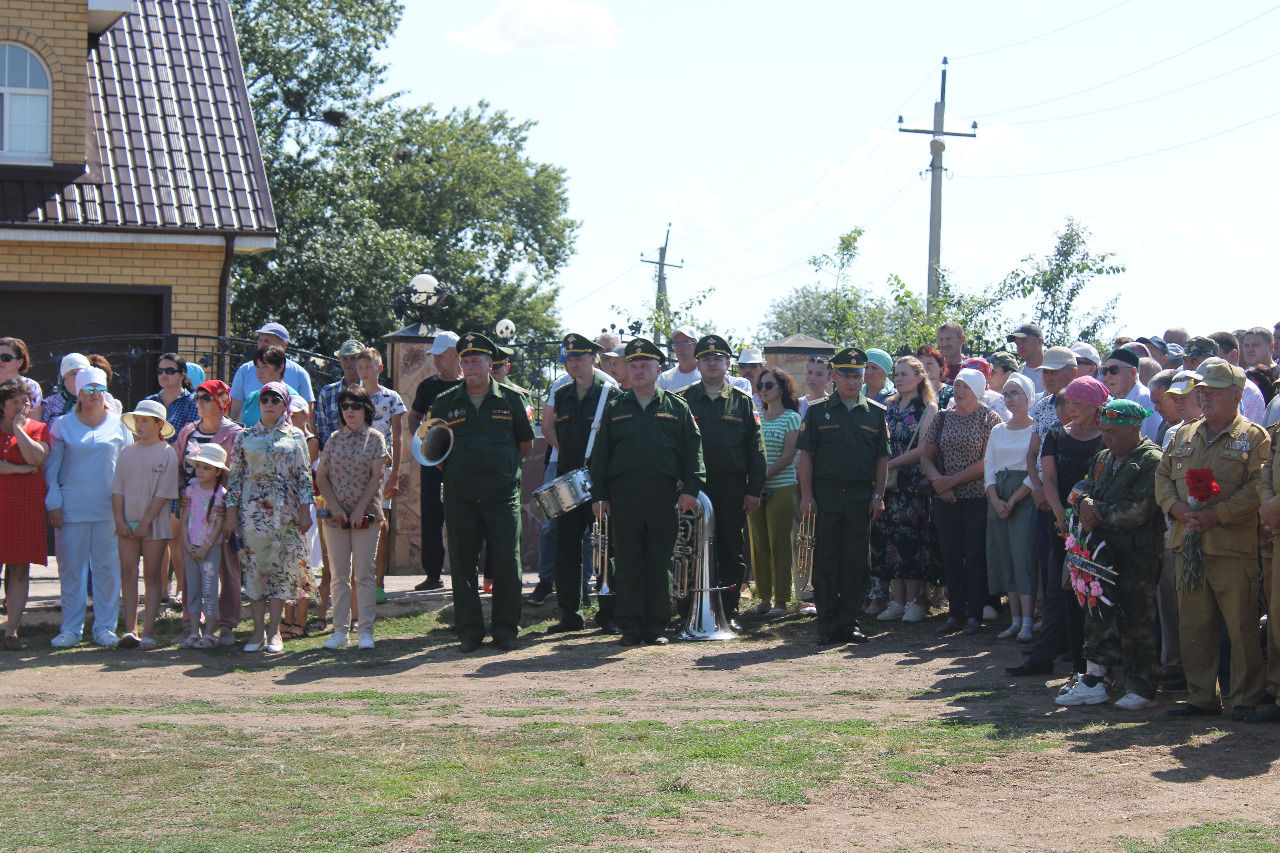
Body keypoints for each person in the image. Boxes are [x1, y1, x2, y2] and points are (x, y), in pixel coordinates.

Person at [1156, 359, 1270, 718]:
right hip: (1188, 543)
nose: (1205, 396)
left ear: (1236, 396)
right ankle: (1201, 696)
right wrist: (1174, 508)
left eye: (1214, 391)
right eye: (1203, 390)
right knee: (1194, 625)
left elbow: (1258, 488)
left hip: (1232, 547)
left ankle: (1244, 698)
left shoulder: (1253, 437)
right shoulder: (1185, 433)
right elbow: (1162, 474)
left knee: (1241, 626)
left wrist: (1217, 513)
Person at [590, 337, 704, 646]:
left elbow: (694, 451)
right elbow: (600, 456)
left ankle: (656, 625)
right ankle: (630, 625)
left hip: (663, 495)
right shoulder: (615, 408)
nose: (638, 371)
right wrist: (599, 495)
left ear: (657, 369)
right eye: (633, 365)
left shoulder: (677, 407)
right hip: (623, 497)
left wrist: (691, 488)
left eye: (645, 365)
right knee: (627, 562)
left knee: (659, 561)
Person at [1055, 400, 1165, 710]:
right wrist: (1083, 504)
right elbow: (1079, 490)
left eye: (1114, 433)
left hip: (1137, 555)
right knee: (1097, 613)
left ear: (1135, 428)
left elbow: (1140, 510)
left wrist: (1096, 512)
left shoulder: (1151, 460)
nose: (1107, 439)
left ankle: (1142, 686)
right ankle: (1094, 680)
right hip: (1101, 554)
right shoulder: (1103, 457)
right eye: (1103, 431)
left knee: (1137, 620)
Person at [429, 333, 534, 652]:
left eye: (477, 360)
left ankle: (505, 629)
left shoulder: (514, 400)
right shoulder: (445, 402)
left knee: (506, 562)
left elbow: (525, 446)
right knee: (462, 564)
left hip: (502, 496)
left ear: (491, 364)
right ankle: (470, 630)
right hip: (461, 497)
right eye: (465, 361)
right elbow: (434, 451)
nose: (470, 366)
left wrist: (502, 470)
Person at [796, 347, 889, 646]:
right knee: (825, 561)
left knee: (856, 563)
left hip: (861, 496)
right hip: (826, 494)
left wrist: (879, 495)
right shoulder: (817, 411)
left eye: (858, 375)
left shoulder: (875, 413)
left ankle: (849, 623)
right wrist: (807, 495)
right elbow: (807, 456)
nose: (852, 381)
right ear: (834, 376)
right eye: (847, 375)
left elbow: (881, 459)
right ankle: (826, 624)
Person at [679, 334, 766, 628]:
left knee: (731, 549)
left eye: (718, 359)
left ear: (728, 364)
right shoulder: (683, 400)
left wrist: (754, 490)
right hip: (693, 488)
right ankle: (687, 613)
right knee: (689, 549)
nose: (712, 363)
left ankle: (729, 612)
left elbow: (757, 449)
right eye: (706, 358)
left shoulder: (742, 402)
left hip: (731, 489)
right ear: (698, 363)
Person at [223, 381, 315, 654]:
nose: (270, 404)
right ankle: (257, 632)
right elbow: (235, 478)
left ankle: (275, 632)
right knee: (254, 571)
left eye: (276, 399)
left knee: (279, 573)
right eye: (265, 399)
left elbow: (304, 476)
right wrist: (230, 514)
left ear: (285, 404)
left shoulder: (296, 436)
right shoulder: (245, 436)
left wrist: (305, 509)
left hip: (284, 516)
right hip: (251, 516)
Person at [44, 367, 132, 648]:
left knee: (107, 569)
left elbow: (126, 469)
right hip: (72, 509)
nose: (94, 395)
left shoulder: (119, 426)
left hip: (109, 510)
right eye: (88, 390)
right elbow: (52, 469)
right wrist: (54, 502)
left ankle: (105, 627)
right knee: (72, 570)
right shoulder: (61, 425)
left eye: (99, 390)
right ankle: (71, 628)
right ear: (78, 394)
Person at [542, 333, 619, 633]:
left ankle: (609, 614)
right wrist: (571, 457)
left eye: (579, 358)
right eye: (569, 359)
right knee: (567, 547)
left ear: (593, 359)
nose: (573, 363)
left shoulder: (610, 393)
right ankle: (570, 614)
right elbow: (549, 430)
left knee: (606, 548)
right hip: (568, 479)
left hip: (601, 482)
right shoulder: (561, 394)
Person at [921, 368, 1001, 635]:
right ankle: (955, 613)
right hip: (946, 499)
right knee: (951, 555)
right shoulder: (943, 418)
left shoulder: (990, 418)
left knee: (976, 555)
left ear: (977, 389)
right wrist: (938, 484)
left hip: (976, 497)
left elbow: (987, 462)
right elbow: (926, 456)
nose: (959, 390)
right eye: (956, 385)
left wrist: (950, 481)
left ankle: (975, 614)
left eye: (966, 386)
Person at [1041, 376, 1109, 675]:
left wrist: (1084, 518)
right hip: (1063, 526)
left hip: (1098, 526)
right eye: (1068, 402)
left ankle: (1102, 666)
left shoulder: (1108, 436)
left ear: (1096, 406)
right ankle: (1078, 667)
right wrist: (1060, 515)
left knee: (1098, 593)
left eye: (1078, 403)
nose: (1070, 408)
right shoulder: (1056, 435)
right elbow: (1050, 479)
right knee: (1069, 591)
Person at [316, 385, 387, 650]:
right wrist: (334, 506)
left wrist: (359, 509)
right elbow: (321, 476)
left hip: (366, 516)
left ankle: (365, 631)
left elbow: (377, 476)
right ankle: (340, 631)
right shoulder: (334, 438)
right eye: (344, 406)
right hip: (336, 518)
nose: (349, 411)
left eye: (355, 405)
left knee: (364, 575)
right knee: (338, 575)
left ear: (366, 408)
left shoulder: (376, 438)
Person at [871, 356, 939, 623]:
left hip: (911, 483)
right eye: (896, 374)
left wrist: (890, 464)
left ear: (919, 377)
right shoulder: (888, 406)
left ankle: (915, 601)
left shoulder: (928, 408)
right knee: (890, 541)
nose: (899, 378)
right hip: (888, 484)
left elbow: (923, 449)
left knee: (911, 540)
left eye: (904, 374)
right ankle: (897, 601)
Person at [174, 380, 243, 645]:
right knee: (192, 571)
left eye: (207, 397)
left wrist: (232, 513)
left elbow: (238, 477)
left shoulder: (235, 434)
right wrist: (181, 495)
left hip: (222, 509)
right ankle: (192, 626)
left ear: (221, 402)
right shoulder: (188, 432)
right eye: (198, 397)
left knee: (226, 570)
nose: (200, 402)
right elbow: (180, 468)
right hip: (192, 511)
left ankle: (224, 625)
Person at [112, 400, 180, 649]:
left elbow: (163, 494)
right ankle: (130, 629)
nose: (139, 425)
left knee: (153, 577)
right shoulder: (127, 452)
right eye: (137, 420)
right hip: (126, 525)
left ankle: (149, 631)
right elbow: (117, 489)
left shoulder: (168, 452)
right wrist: (119, 520)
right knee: (128, 575)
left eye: (145, 421)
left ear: (158, 424)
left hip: (155, 525)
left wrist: (145, 523)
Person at [983, 373, 1036, 641]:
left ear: (1028, 396)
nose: (1010, 398)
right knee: (1005, 556)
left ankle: (1029, 619)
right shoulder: (998, 430)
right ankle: (1015, 619)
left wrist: (1014, 499)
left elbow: (1034, 469)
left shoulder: (1036, 429)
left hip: (1023, 496)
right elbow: (989, 467)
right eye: (1007, 394)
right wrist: (995, 498)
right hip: (999, 495)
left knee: (1023, 556)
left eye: (1016, 393)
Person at [745, 367, 801, 617]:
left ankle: (781, 601)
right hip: (755, 491)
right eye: (761, 386)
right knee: (758, 544)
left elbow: (789, 456)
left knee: (779, 543)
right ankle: (764, 600)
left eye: (769, 385)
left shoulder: (792, 417)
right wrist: (754, 483)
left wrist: (760, 477)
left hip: (782, 487)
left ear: (782, 388)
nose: (764, 390)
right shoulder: (756, 416)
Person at [408, 331, 461, 592]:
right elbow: (414, 415)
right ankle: (433, 574)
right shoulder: (427, 386)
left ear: (456, 355)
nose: (436, 361)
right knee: (431, 516)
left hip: (463, 462)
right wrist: (422, 440)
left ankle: (466, 573)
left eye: (441, 356)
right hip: (433, 462)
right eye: (435, 357)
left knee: (464, 518)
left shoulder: (468, 386)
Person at [0, 378, 49, 650]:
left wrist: (19, 430)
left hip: (25, 507)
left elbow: (36, 458)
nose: (21, 407)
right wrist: (18, 470)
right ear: (2, 405)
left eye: (25, 402)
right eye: (15, 402)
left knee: (19, 568)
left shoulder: (38, 428)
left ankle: (11, 631)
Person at [356, 347, 403, 605]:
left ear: (379, 368)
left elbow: (398, 436)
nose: (364, 372)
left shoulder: (391, 398)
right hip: (356, 469)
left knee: (380, 521)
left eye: (369, 367)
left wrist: (395, 473)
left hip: (382, 468)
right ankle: (358, 580)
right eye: (361, 367)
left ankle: (378, 583)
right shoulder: (353, 396)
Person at [177, 444, 228, 649]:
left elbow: (218, 524)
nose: (200, 471)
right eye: (198, 466)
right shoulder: (190, 491)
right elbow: (183, 520)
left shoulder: (220, 494)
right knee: (193, 589)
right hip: (191, 547)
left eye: (206, 468)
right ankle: (194, 632)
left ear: (217, 471)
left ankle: (210, 632)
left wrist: (206, 546)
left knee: (209, 588)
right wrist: (187, 544)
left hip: (210, 549)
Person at [228, 322, 315, 421]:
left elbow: (308, 415)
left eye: (267, 340)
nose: (262, 344)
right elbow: (235, 414)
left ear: (283, 344)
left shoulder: (299, 375)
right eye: (260, 340)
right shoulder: (245, 372)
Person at [1099, 348, 1160, 442]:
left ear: (1133, 372)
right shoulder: (1114, 401)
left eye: (1113, 370)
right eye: (1104, 371)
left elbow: (1147, 441)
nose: (1106, 377)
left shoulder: (1144, 398)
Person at [314, 339, 364, 450]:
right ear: (339, 360)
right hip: (335, 459)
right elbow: (323, 431)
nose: (348, 363)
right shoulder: (327, 393)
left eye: (353, 358)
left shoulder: (372, 392)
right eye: (345, 358)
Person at [238, 346, 303, 428]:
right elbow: (239, 426)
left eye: (265, 367)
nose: (259, 372)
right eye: (258, 367)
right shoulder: (253, 396)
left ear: (280, 367)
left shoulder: (292, 397)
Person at [145, 353, 199, 442]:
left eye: (169, 371)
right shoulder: (149, 402)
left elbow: (187, 439)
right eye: (160, 371)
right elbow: (137, 435)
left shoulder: (192, 403)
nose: (163, 374)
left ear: (182, 375)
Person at [0, 337, 42, 422]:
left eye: (6, 358)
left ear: (20, 362)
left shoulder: (31, 386)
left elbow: (34, 423)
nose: (0, 361)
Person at [43, 353, 93, 423]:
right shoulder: (50, 404)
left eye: (82, 372)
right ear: (64, 380)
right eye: (74, 374)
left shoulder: (101, 397)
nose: (78, 377)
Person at [1007, 323, 1046, 394]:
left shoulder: (1055, 370)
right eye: (1017, 343)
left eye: (1023, 341)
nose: (1020, 347)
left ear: (1039, 341)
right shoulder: (1017, 374)